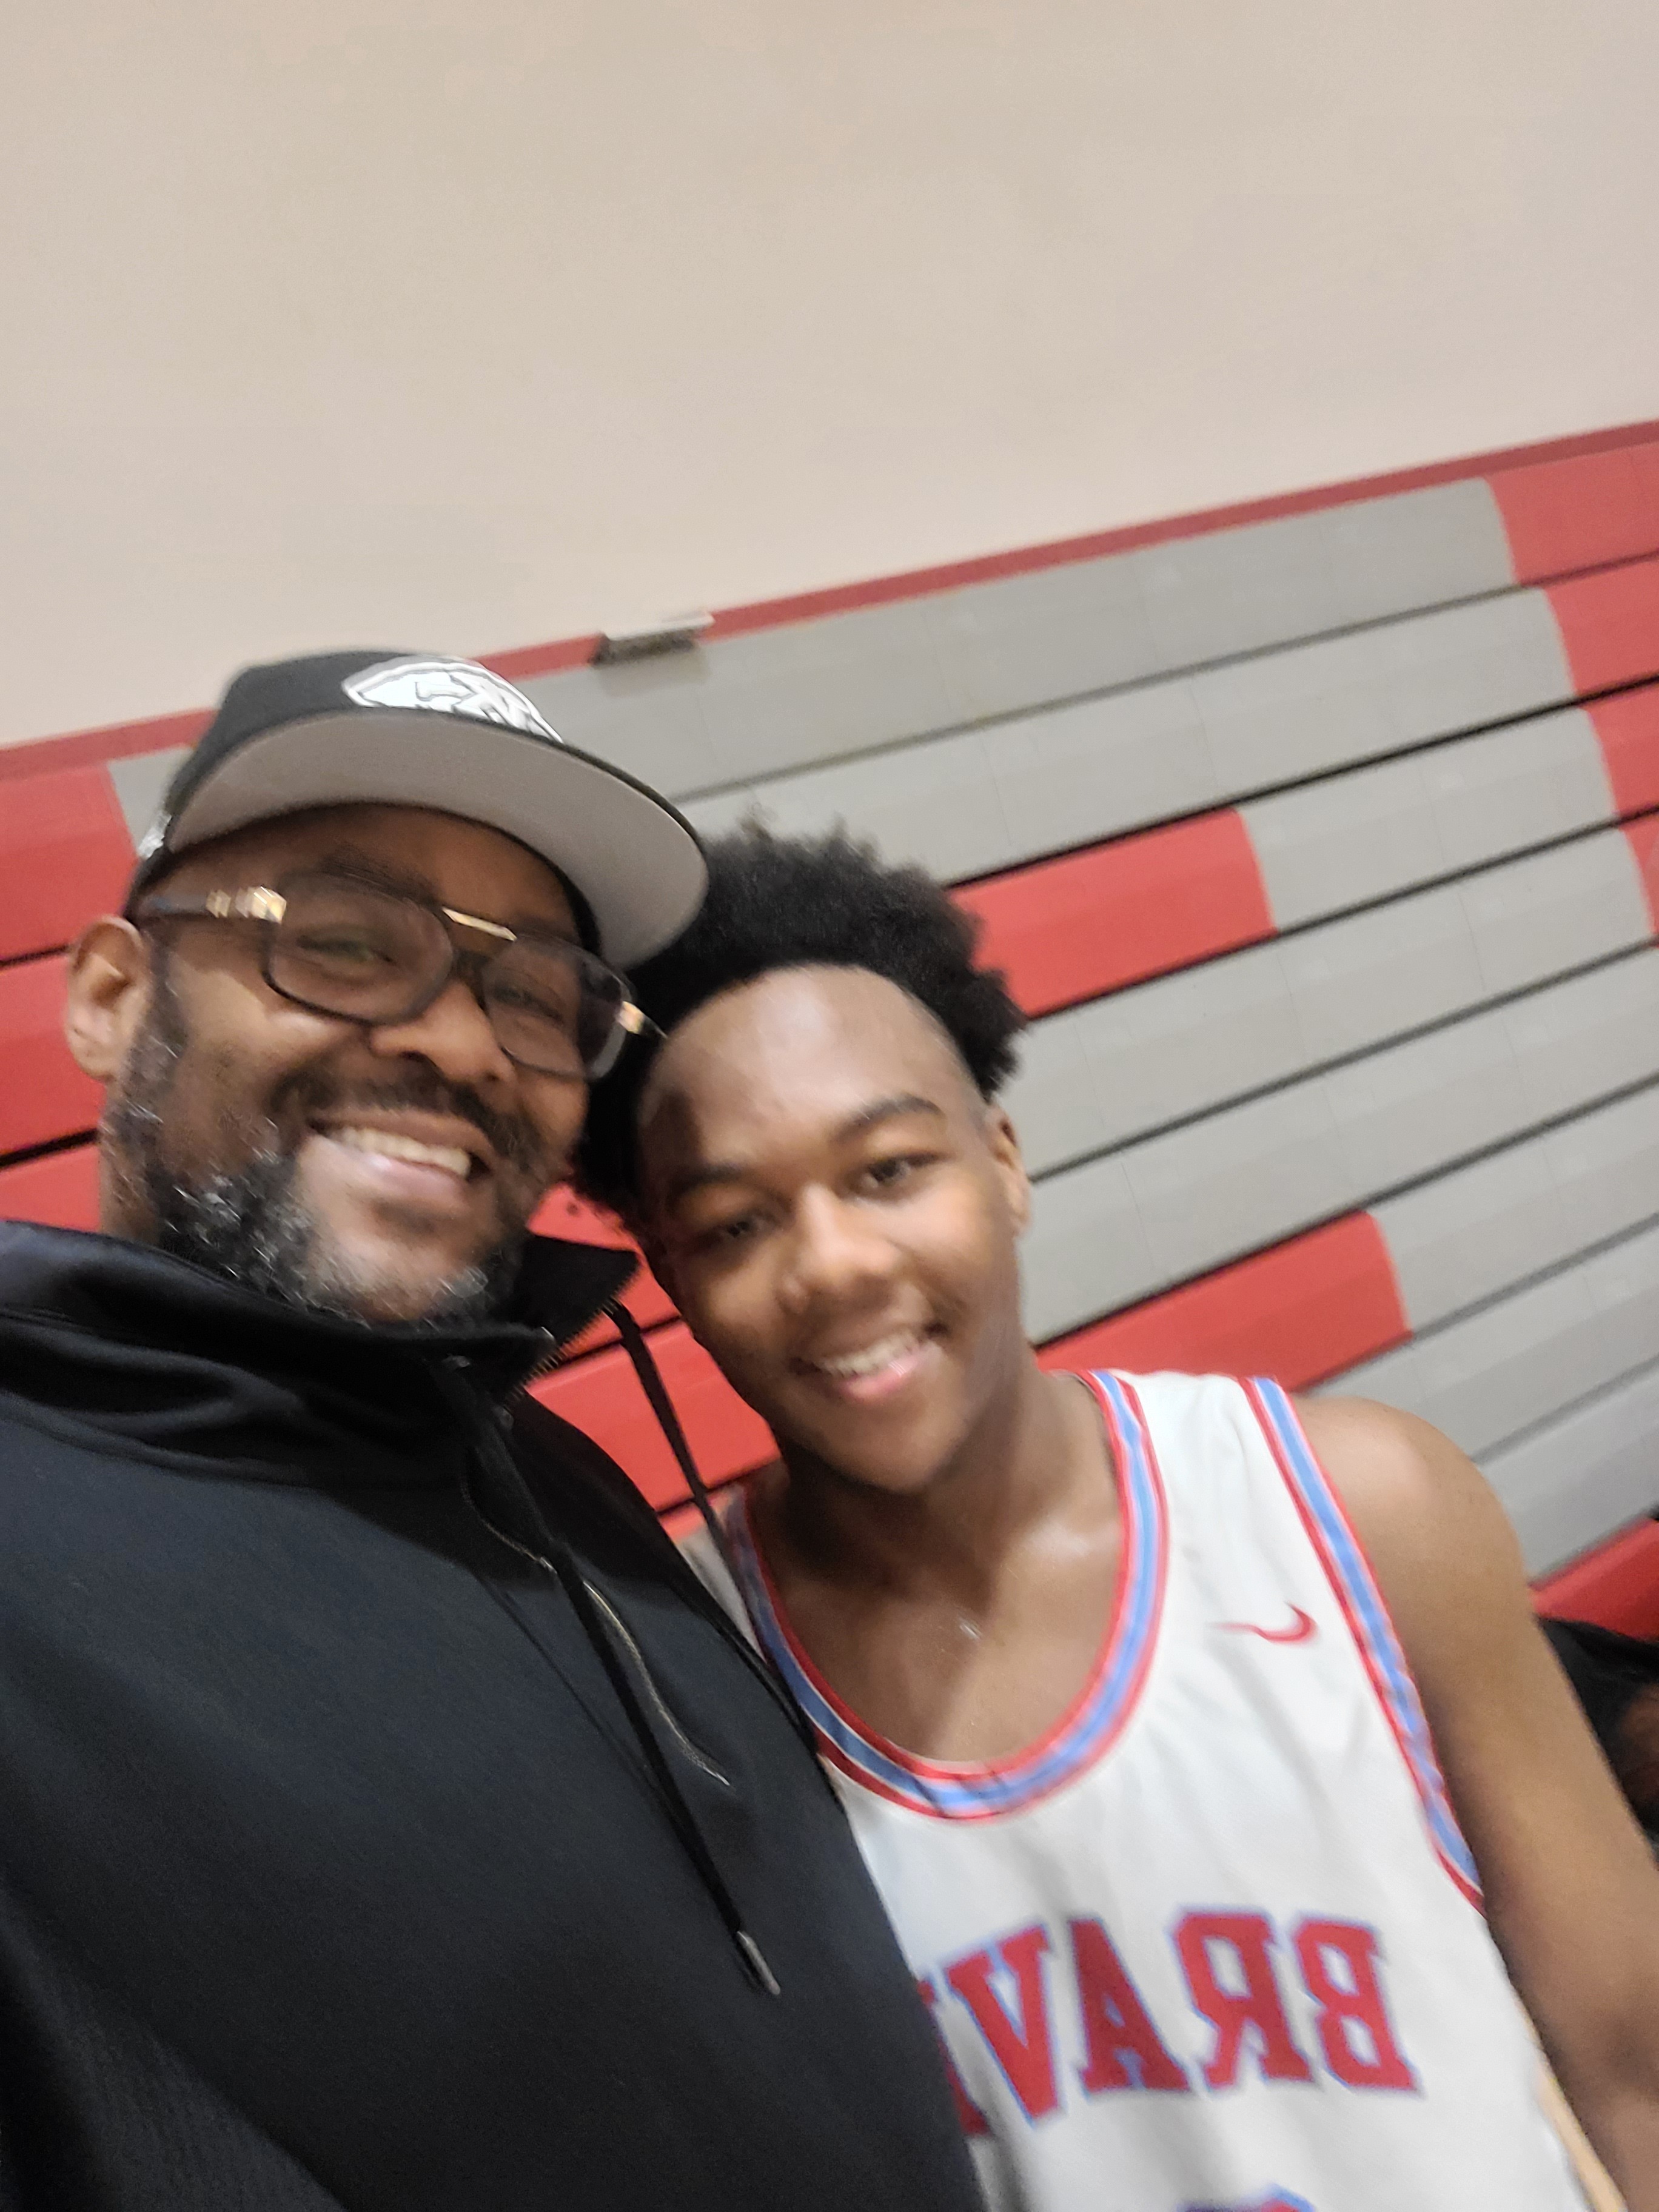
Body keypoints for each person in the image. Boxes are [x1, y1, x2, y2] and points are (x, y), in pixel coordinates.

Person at [0, 657, 987, 2212]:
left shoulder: (552, 1483)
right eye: (343, 940)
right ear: (115, 999)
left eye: (530, 993)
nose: (463, 1046)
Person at [577, 823, 1659, 2211]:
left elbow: (1632, 2058)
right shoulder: (687, 1688)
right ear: (671, 1276)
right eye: (736, 1223)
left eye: (889, 1169)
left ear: (1004, 1162)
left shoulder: (1356, 1506)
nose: (835, 1265)